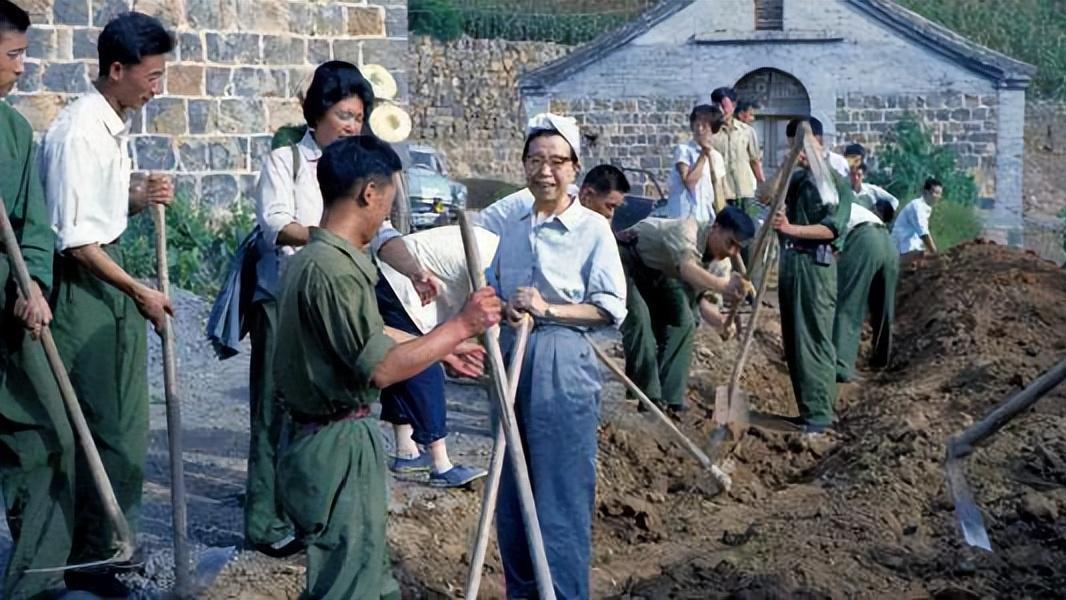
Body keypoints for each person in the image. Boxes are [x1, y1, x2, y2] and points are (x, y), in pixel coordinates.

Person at [273, 135, 501, 599]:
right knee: (348, 585)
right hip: (334, 443)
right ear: (369, 194)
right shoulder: (331, 270)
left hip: (331, 439)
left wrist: (439, 348)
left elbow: (371, 333)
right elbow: (381, 368)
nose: (386, 217)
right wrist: (460, 327)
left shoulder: (325, 260)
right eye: (389, 202)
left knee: (367, 577)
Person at [248, 60, 440, 556]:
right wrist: (332, 239)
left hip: (342, 289)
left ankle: (313, 509)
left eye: (358, 116)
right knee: (278, 406)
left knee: (335, 405)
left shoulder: (361, 169)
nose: (351, 125)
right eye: (343, 115)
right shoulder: (288, 161)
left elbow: (386, 235)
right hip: (290, 296)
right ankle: (265, 519)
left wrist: (415, 271)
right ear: (318, 114)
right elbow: (274, 223)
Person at [38, 12, 175, 596]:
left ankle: (111, 546)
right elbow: (75, 239)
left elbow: (102, 211)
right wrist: (139, 291)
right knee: (97, 427)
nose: (157, 86)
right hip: (82, 289)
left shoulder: (115, 124)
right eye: (151, 74)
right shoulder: (77, 133)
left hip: (110, 280)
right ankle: (87, 560)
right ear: (115, 70)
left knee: (126, 423)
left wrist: (141, 197)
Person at [483, 113, 626, 599]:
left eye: (556, 162)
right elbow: (496, 286)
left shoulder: (592, 229)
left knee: (559, 492)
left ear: (574, 168)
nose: (545, 171)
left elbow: (608, 308)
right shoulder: (512, 224)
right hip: (510, 358)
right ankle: (523, 592)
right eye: (535, 161)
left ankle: (562, 593)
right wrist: (503, 308)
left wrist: (549, 308)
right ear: (524, 165)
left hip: (562, 360)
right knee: (510, 493)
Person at [0, 3, 75, 598]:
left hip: (10, 310)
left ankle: (35, 580)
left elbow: (36, 224)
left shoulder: (15, 130)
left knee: (47, 435)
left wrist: (35, 286)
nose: (23, 68)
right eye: (14, 55)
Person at [376, 223, 500, 487]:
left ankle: (406, 453)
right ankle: (441, 465)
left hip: (397, 274)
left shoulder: (499, 248)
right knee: (424, 362)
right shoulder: (497, 261)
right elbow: (483, 316)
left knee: (406, 363)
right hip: (406, 280)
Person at [611, 208, 755, 415]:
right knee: (640, 318)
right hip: (627, 258)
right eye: (730, 243)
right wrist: (724, 286)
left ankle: (670, 397)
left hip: (661, 272)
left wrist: (722, 322)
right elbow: (688, 269)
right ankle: (648, 396)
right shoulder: (687, 229)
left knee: (685, 321)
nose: (732, 252)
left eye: (738, 248)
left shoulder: (720, 264)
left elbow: (706, 304)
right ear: (716, 228)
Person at [772, 117, 852, 435]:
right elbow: (762, 198)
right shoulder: (797, 180)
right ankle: (809, 410)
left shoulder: (833, 185)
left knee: (813, 339)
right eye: (793, 146)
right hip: (792, 264)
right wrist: (786, 167)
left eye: (802, 145)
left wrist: (791, 229)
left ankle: (819, 414)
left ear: (819, 142)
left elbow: (833, 228)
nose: (798, 152)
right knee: (795, 342)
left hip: (815, 268)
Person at [832, 195, 898, 384]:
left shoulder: (831, 208)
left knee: (848, 304)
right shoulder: (856, 208)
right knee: (883, 306)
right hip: (888, 243)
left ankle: (840, 366)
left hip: (865, 240)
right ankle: (881, 360)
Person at [664, 104, 726, 223]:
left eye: (705, 126)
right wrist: (703, 156)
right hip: (684, 215)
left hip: (706, 216)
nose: (700, 129)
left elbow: (720, 188)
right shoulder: (683, 150)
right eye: (697, 125)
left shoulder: (717, 157)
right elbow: (689, 182)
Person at [710, 87, 764, 215]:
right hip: (721, 194)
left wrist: (763, 186)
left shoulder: (747, 132)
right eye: (716, 106)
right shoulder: (711, 133)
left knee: (750, 227)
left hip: (746, 191)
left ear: (733, 106)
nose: (720, 110)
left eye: (724, 105)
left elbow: (754, 161)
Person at [892, 177, 943, 256]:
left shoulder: (926, 208)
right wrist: (936, 254)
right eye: (936, 193)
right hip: (901, 248)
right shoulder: (917, 207)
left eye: (940, 194)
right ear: (926, 192)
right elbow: (924, 233)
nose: (938, 197)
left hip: (911, 247)